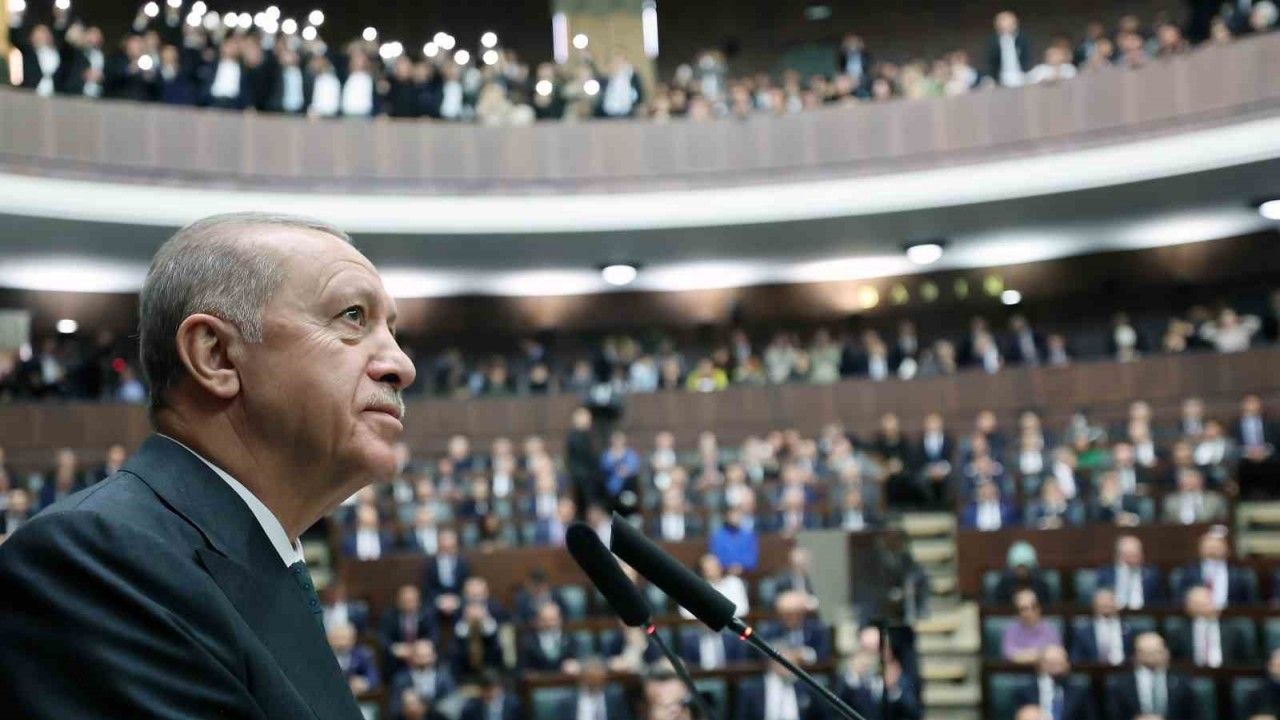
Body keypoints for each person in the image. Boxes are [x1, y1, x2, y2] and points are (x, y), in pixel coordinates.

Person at [0, 213, 415, 717]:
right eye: (352, 316)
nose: (402, 365)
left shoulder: (251, 554)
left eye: (392, 330)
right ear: (216, 355)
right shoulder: (92, 560)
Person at [1105, 633, 1199, 720]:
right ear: (1135, 655)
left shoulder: (1182, 683)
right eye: (1146, 652)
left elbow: (1194, 715)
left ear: (1166, 653)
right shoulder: (1119, 685)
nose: (1151, 657)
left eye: (1156, 651)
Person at [1167, 585, 1255, 667]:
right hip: (1193, 674)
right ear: (1188, 607)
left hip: (1227, 674)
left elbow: (1245, 662)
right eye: (1199, 604)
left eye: (1207, 601)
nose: (1205, 606)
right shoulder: (1179, 632)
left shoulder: (1234, 630)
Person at [734, 647, 828, 720]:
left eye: (792, 663)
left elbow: (822, 716)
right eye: (783, 663)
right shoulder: (752, 689)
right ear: (772, 663)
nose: (788, 668)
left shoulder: (807, 688)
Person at [1176, 530, 1259, 608]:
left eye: (1216, 547)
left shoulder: (1241, 575)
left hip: (1231, 615)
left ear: (1227, 549)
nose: (1213, 550)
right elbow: (1178, 600)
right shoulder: (1187, 573)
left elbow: (1251, 604)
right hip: (1196, 615)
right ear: (1200, 549)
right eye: (1209, 547)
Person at [1011, 645, 1095, 720]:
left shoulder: (1079, 692)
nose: (1055, 668)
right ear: (1039, 665)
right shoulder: (1024, 692)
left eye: (1059, 663)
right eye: (1050, 663)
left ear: (1067, 665)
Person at [388, 639, 456, 717]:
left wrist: (426, 708)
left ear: (434, 656)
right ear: (411, 657)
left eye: (427, 656)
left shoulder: (444, 678)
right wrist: (407, 707)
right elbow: (394, 709)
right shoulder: (400, 680)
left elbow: (452, 704)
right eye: (419, 656)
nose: (423, 660)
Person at [1095, 536, 1164, 610]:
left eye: (1134, 555)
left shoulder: (1152, 575)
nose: (1131, 560)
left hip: (1144, 614)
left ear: (1142, 556)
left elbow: (1162, 602)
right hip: (1114, 614)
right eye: (1127, 555)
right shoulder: (1105, 574)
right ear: (1117, 556)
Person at [1069, 589, 1132, 666]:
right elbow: (1076, 658)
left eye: (1109, 601)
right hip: (1094, 670)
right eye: (1102, 603)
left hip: (1124, 670)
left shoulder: (1128, 629)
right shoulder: (1082, 632)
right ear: (1094, 606)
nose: (1106, 604)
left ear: (1117, 605)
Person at [557, 657, 632, 720]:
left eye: (598, 677)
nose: (594, 681)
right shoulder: (567, 702)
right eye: (591, 677)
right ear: (583, 678)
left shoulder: (615, 700)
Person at [1001, 589, 1061, 665]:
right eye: (1023, 609)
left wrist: (1023, 655)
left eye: (1033, 607)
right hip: (1016, 670)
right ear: (1017, 613)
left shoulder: (1050, 629)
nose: (1029, 612)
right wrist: (1042, 654)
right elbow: (1009, 655)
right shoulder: (1010, 630)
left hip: (1045, 670)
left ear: (1039, 609)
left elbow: (1056, 654)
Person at [519, 601, 581, 672]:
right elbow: (524, 669)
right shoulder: (527, 642)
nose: (549, 624)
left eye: (552, 620)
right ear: (537, 621)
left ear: (560, 620)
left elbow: (576, 661)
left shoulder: (570, 640)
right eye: (544, 620)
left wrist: (574, 665)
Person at [329, 621, 380, 696]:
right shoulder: (324, 657)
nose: (341, 642)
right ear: (330, 640)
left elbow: (373, 676)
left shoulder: (362, 655)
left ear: (353, 639)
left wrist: (363, 683)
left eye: (345, 638)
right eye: (337, 638)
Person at [710, 506, 759, 573]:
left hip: (747, 573)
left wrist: (740, 566)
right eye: (733, 514)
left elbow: (752, 559)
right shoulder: (717, 536)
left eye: (738, 514)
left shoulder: (749, 535)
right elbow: (716, 558)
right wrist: (730, 566)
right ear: (727, 516)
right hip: (724, 573)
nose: (736, 517)